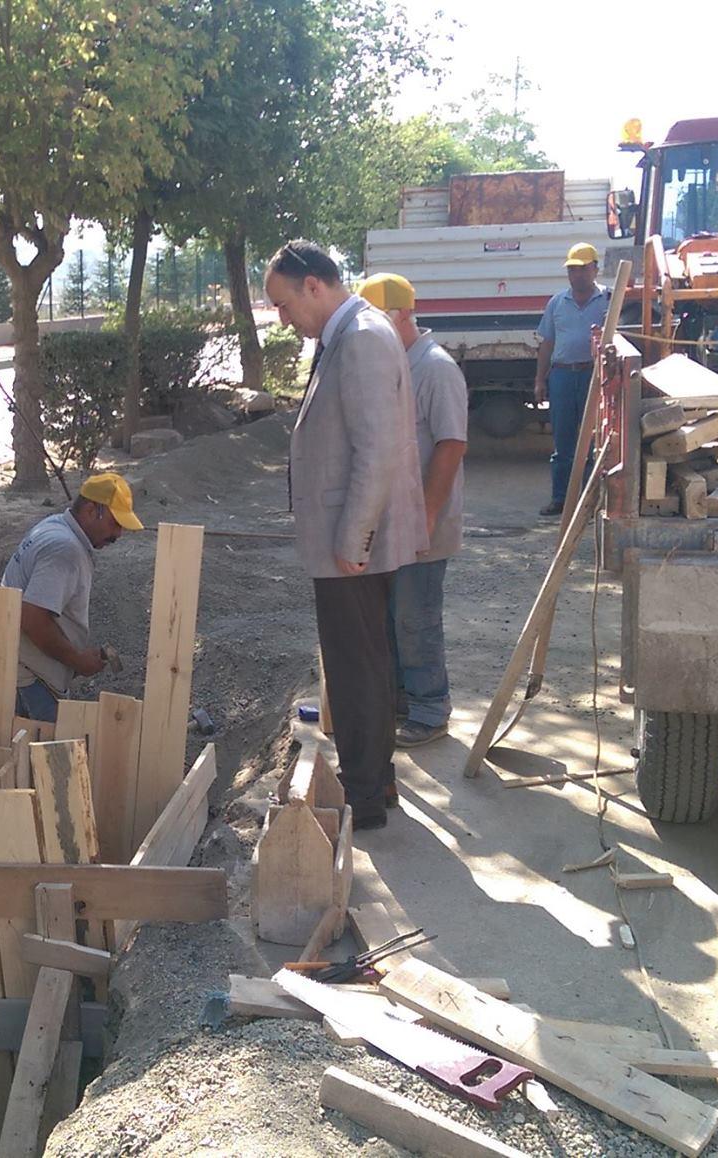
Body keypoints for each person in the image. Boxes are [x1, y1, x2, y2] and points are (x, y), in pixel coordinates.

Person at [265, 240, 426, 830]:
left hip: (354, 544)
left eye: (284, 304)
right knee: (367, 662)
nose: (284, 320)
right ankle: (375, 782)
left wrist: (354, 538)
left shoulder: (359, 337)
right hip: (350, 539)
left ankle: (363, 798)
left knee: (356, 669)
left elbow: (377, 449)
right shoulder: (351, 332)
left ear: (314, 285)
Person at [355, 272, 468, 749]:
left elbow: (451, 444)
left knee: (416, 617)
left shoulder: (435, 368)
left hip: (424, 522)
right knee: (391, 616)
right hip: (394, 522)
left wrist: (428, 511)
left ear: (401, 316)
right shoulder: (396, 365)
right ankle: (401, 701)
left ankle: (428, 708)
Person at [2, 472, 142, 723]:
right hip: (32, 681)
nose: (118, 534)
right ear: (91, 510)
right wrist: (75, 659)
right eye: (114, 523)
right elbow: (32, 617)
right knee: (45, 758)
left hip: (20, 671)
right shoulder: (64, 549)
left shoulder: (54, 525)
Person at [533, 243, 611, 518]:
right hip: (563, 375)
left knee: (593, 440)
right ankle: (561, 500)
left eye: (582, 269)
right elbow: (547, 343)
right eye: (572, 270)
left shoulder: (609, 301)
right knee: (563, 441)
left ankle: (589, 503)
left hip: (594, 374)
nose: (576, 275)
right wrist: (540, 380)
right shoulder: (557, 303)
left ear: (595, 269)